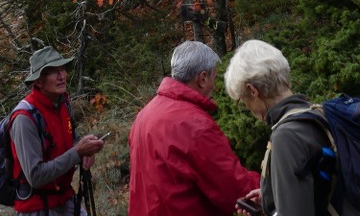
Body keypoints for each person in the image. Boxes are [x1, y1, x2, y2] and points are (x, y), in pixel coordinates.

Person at [128, 40, 260, 216]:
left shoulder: (144, 115)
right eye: (214, 77)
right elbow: (232, 187)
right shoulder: (195, 125)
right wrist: (269, 186)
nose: (215, 84)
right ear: (203, 78)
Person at [225, 39, 332, 216]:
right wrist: (272, 195)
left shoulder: (286, 135)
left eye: (243, 101)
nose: (248, 108)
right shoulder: (316, 113)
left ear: (253, 91)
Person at [9, 45, 106, 215]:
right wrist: (77, 152)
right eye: (53, 72)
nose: (62, 76)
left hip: (64, 198)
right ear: (38, 81)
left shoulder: (62, 103)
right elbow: (36, 176)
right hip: (37, 208)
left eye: (62, 69)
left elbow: (72, 142)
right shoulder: (24, 118)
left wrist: (85, 150)